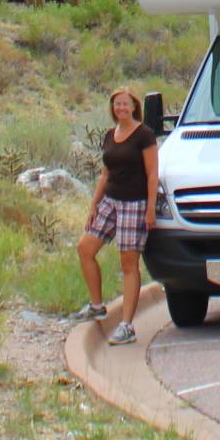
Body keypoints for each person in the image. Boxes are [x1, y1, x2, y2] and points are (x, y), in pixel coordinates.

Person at [79, 86, 159, 345]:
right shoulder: (110, 135)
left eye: (125, 104)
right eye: (117, 105)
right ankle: (96, 305)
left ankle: (127, 325)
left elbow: (152, 174)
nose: (121, 108)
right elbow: (105, 173)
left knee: (128, 265)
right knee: (85, 248)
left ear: (134, 106)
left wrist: (150, 208)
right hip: (110, 201)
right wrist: (94, 204)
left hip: (134, 204)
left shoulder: (144, 135)